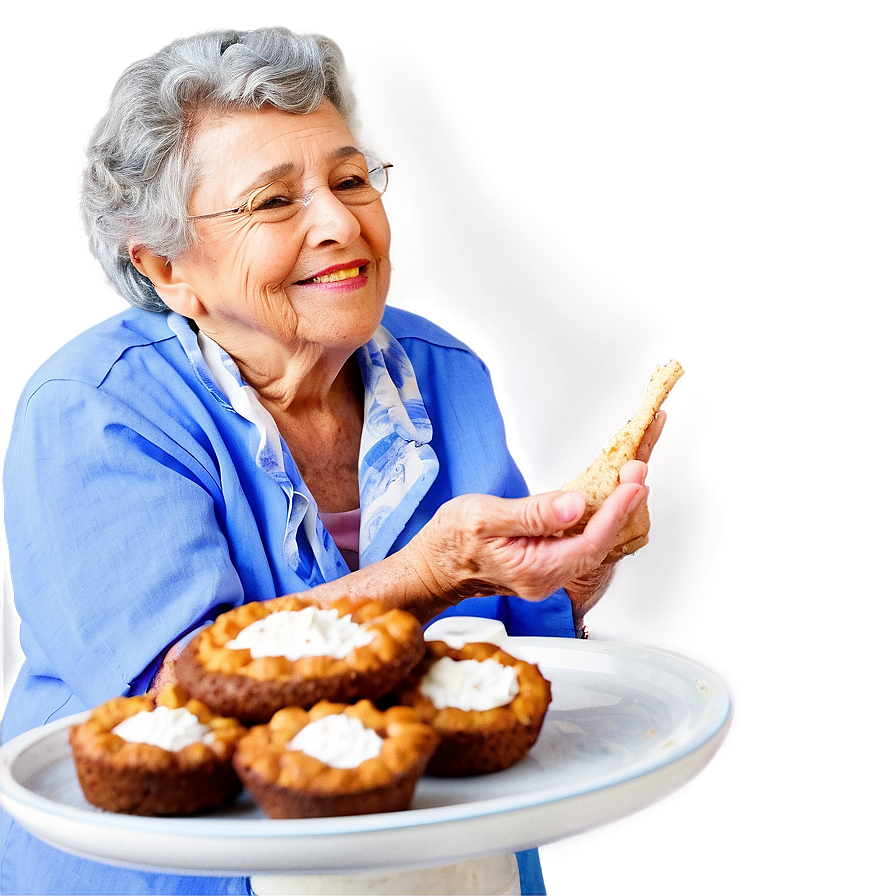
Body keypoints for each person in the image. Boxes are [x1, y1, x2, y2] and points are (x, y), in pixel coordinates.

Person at [1, 26, 661, 895]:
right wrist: (431, 573)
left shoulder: (445, 372)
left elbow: (497, 661)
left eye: (352, 180)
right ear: (168, 268)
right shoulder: (98, 410)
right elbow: (178, 702)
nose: (340, 222)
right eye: (275, 202)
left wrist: (573, 576)